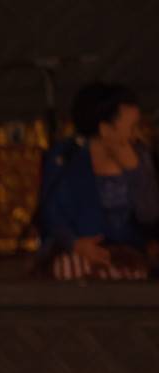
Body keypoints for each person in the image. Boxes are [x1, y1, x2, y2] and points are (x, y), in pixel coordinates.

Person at [39, 81, 158, 280]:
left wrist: (135, 172)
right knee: (71, 270)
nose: (137, 135)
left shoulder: (140, 156)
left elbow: (150, 215)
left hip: (127, 251)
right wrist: (76, 244)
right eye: (132, 127)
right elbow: (52, 213)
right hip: (77, 248)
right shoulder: (67, 157)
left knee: (126, 273)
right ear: (105, 129)